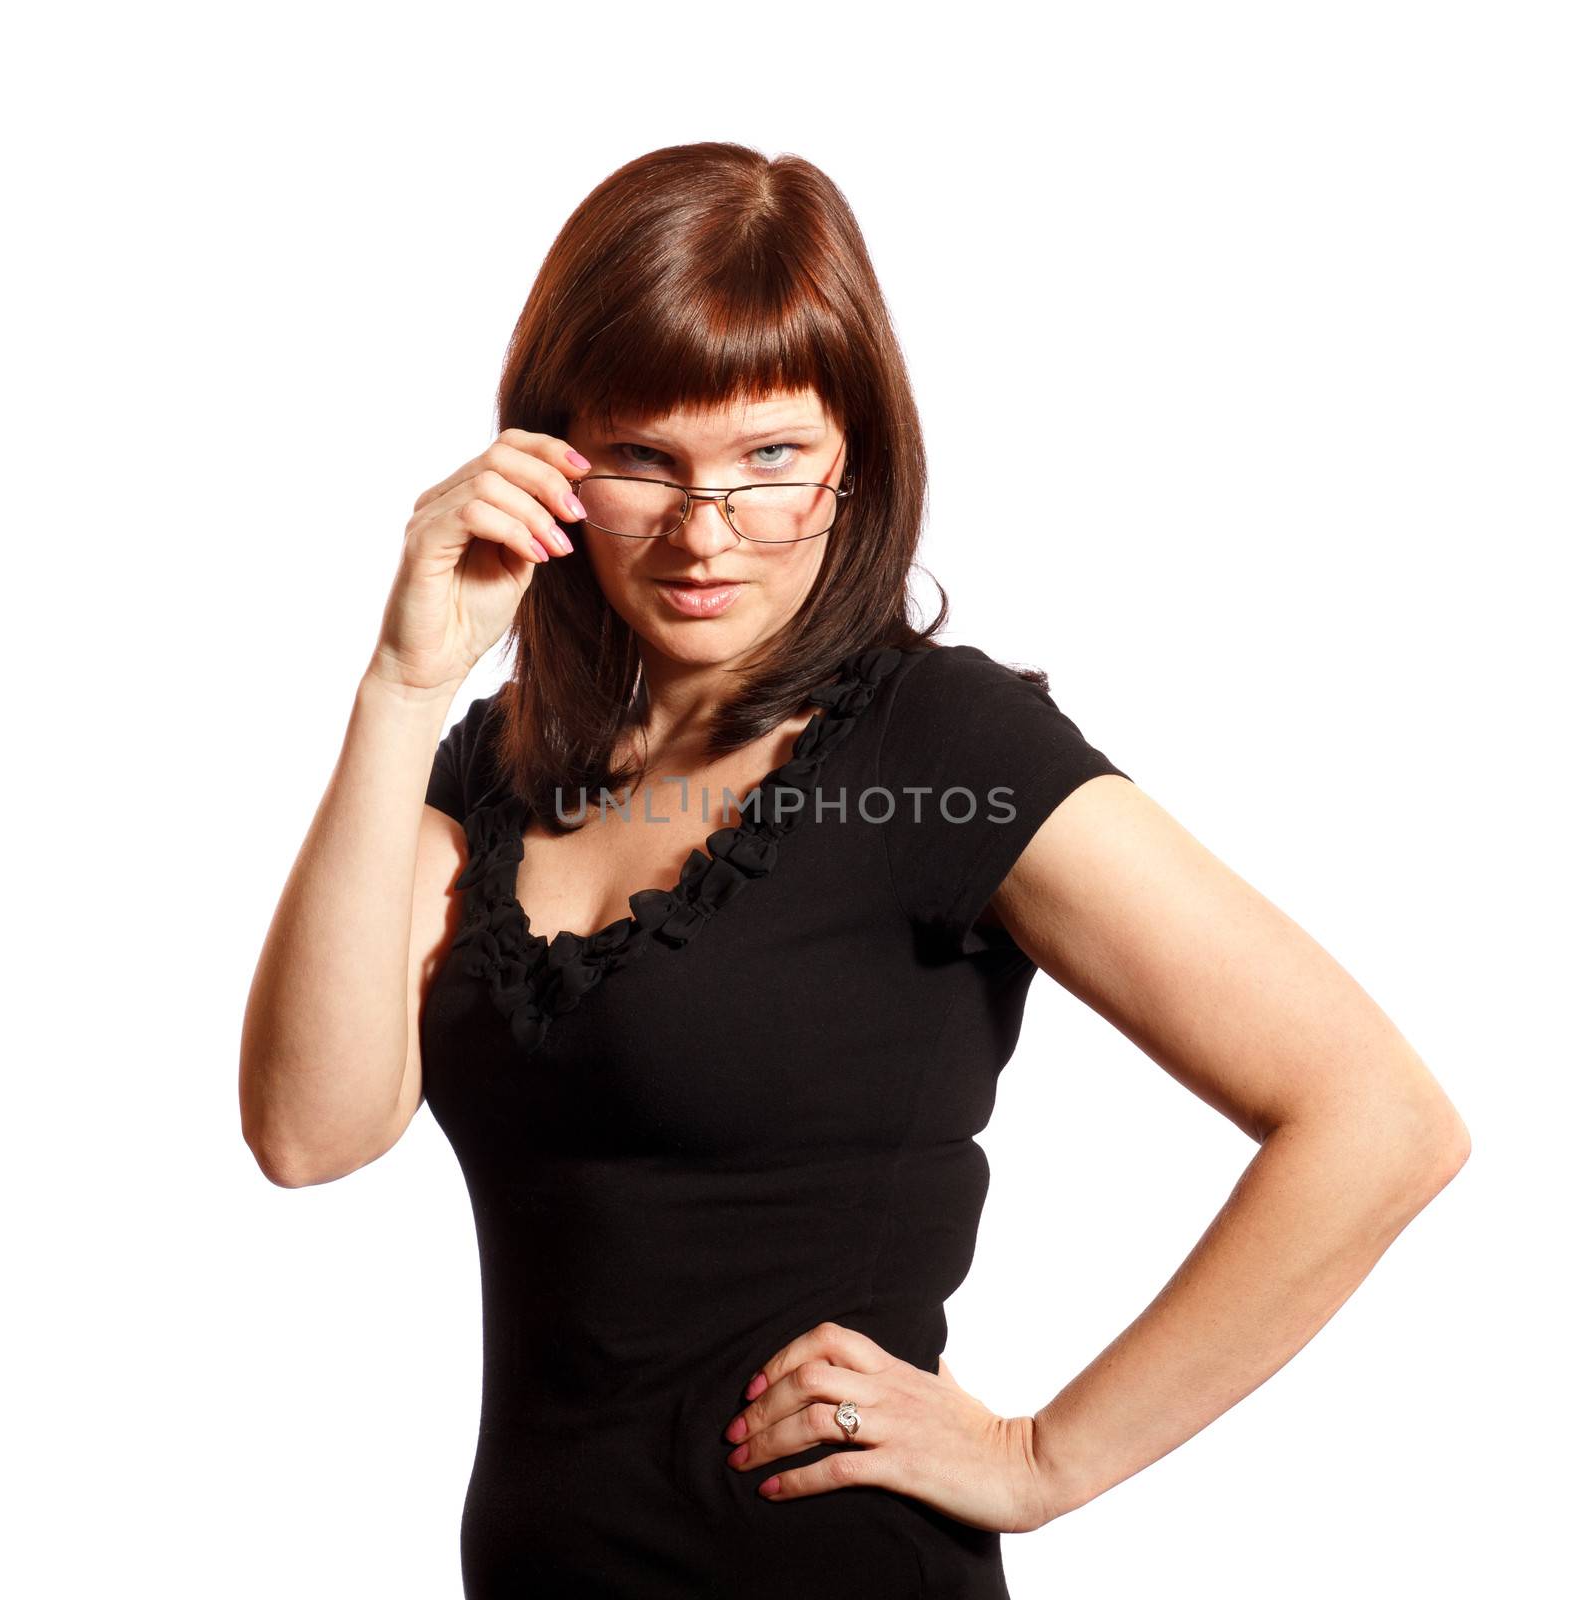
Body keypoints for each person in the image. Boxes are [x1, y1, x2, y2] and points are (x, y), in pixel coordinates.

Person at [239, 142, 1471, 1599]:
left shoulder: (942, 745)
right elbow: (308, 1135)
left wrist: (1041, 1460)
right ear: (549, 461)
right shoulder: (484, 778)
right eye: (644, 459)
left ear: (852, 459)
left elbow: (1381, 1122)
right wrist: (398, 682)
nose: (708, 534)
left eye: (770, 460)